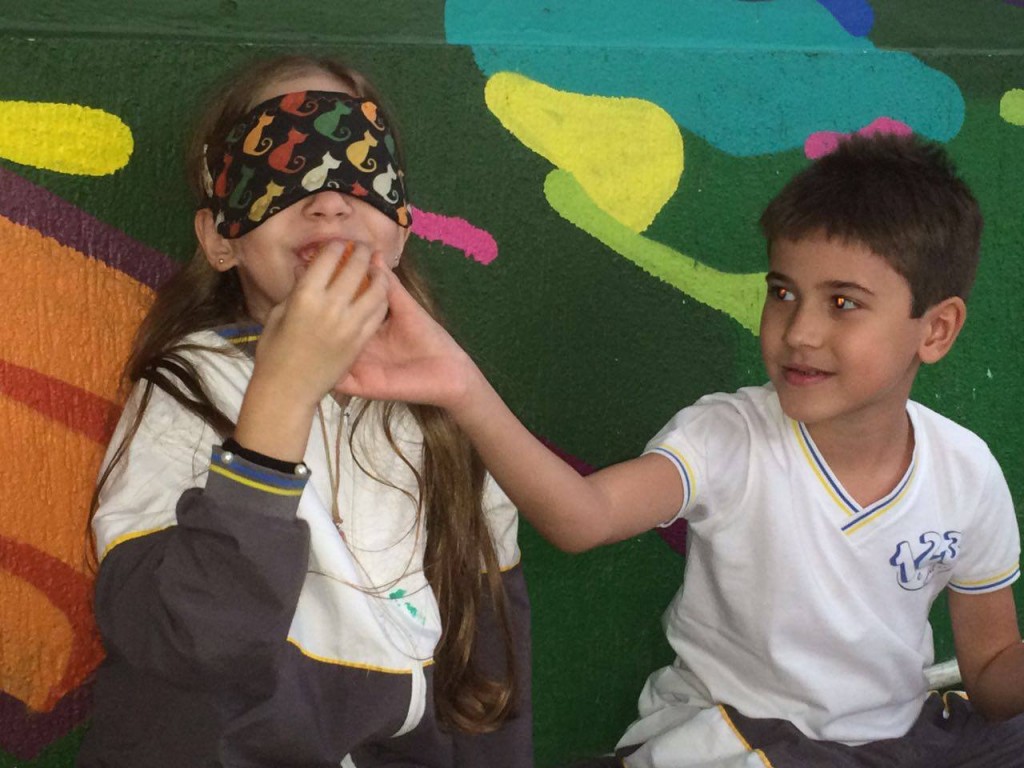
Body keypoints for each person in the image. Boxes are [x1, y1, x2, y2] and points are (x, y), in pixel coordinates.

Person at [343, 134, 1024, 767]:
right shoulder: (728, 438)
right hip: (735, 739)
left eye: (843, 303)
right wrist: (461, 388)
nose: (800, 332)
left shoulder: (966, 472)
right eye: (783, 292)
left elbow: (993, 677)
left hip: (896, 742)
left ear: (936, 330)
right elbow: (582, 517)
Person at [78, 54, 531, 768]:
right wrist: (281, 397)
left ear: (401, 230)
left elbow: (490, 663)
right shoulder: (188, 387)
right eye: (284, 166)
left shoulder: (441, 410)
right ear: (221, 237)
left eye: (360, 168)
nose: (328, 202)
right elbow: (190, 640)